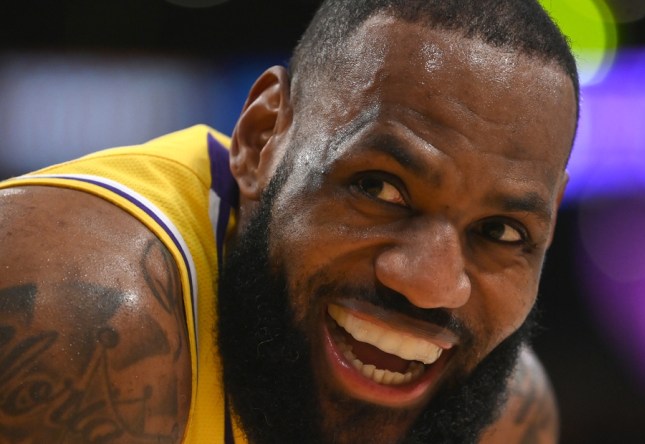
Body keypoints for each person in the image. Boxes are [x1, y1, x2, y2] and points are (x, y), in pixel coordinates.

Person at [0, 0, 578, 442]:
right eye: (379, 188)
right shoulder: (76, 324)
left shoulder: (508, 417)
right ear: (259, 141)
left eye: (501, 231)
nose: (430, 283)